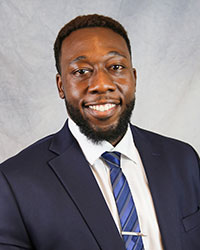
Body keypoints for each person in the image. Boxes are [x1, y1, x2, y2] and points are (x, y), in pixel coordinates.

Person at [0, 14, 199, 250]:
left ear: (133, 78)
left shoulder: (183, 160)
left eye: (115, 67)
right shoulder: (13, 182)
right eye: (81, 71)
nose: (101, 84)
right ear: (61, 86)